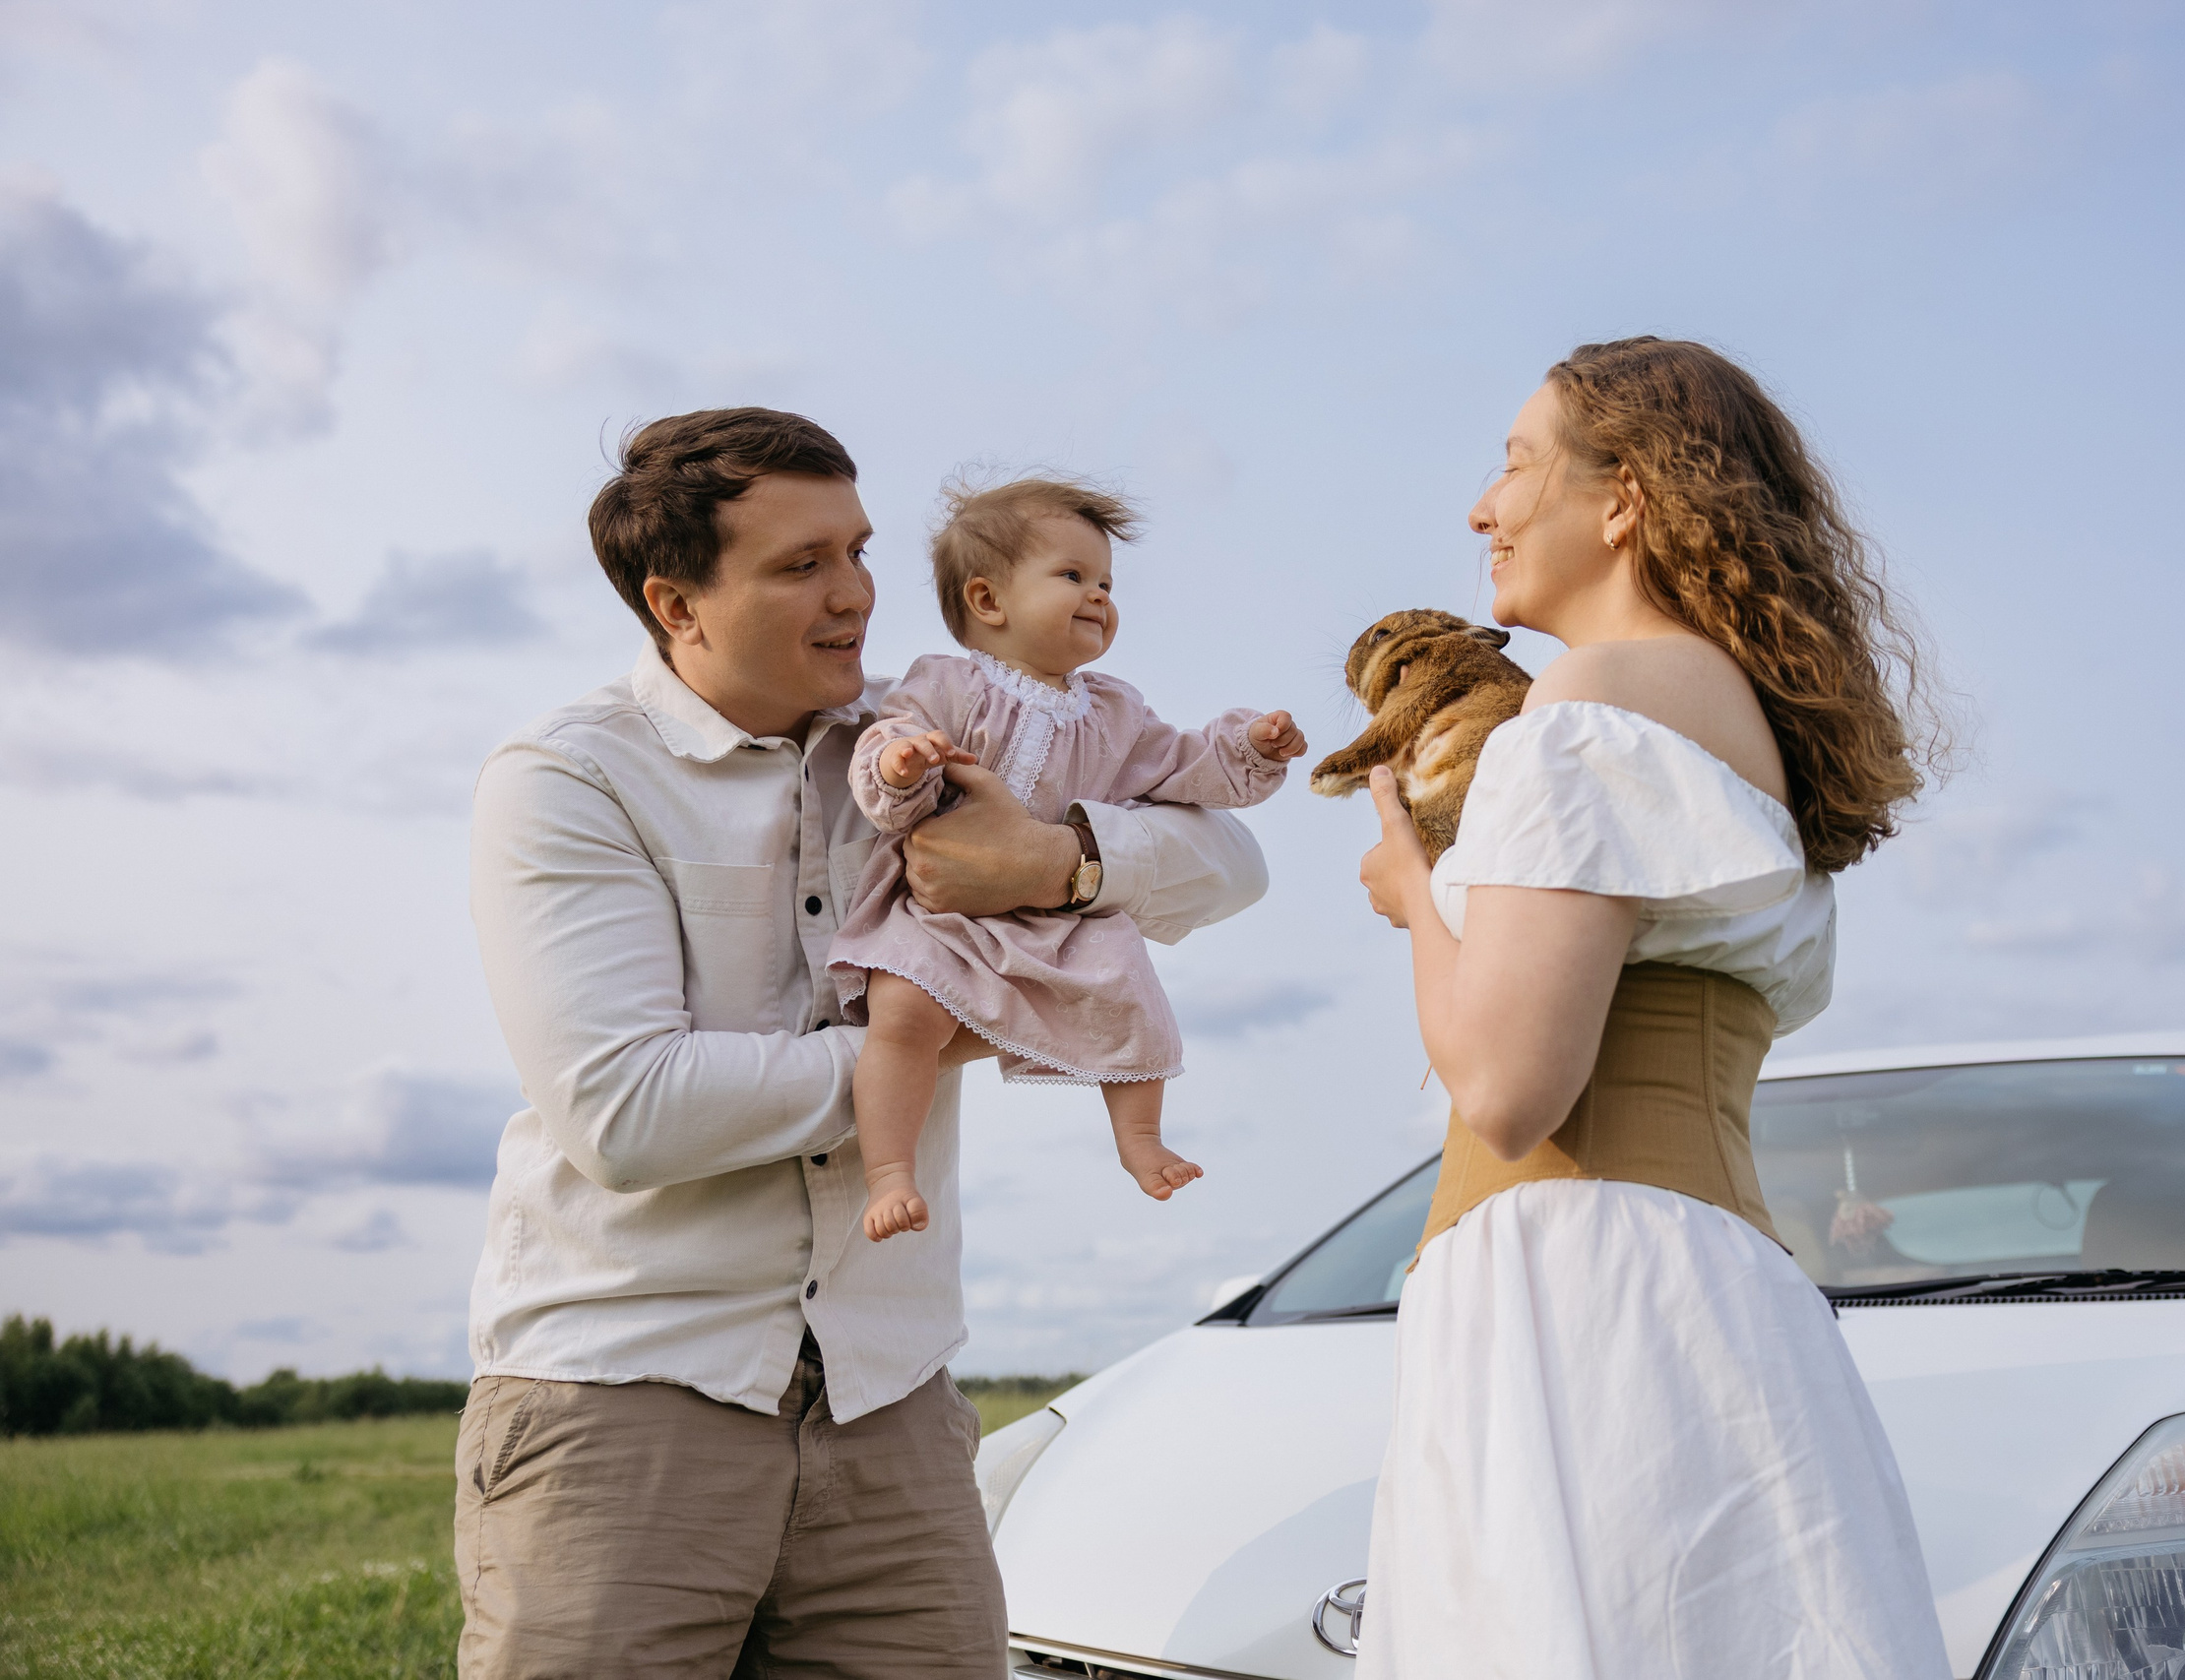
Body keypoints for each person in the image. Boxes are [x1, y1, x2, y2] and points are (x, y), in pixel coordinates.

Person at [457, 408, 1269, 1678]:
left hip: (892, 1405)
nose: (856, 596)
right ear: (676, 604)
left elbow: (1231, 864)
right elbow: (629, 1111)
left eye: (859, 550)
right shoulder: (568, 778)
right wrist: (957, 1029)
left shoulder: (933, 732)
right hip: (620, 1406)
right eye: (802, 565)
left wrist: (1053, 861)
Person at [1352, 339, 1949, 1678]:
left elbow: (1508, 1089)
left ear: (1622, 497)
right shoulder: (1727, 718)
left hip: (1581, 1293)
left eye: (1515, 464)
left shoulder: (1589, 704)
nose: (1481, 506)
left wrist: (1413, 890)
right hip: (1702, 1281)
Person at [831, 475, 1305, 1241]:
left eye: (1107, 583)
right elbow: (890, 738)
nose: (1099, 596)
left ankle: (1140, 1137)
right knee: (903, 1012)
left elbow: (1180, 765)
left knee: (1128, 980)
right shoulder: (946, 683)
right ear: (988, 600)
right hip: (940, 910)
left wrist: (1246, 746)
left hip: (1060, 914)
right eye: (1074, 575)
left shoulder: (1114, 709)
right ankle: (890, 1168)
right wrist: (901, 765)